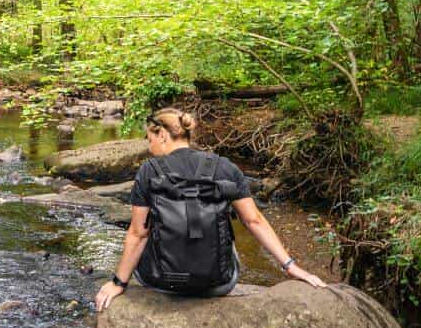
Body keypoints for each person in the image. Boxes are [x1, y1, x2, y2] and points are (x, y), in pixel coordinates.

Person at [95, 107, 326, 312]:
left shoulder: (149, 171)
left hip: (162, 283)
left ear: (162, 135)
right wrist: (290, 266)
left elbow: (138, 233)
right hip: (218, 283)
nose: (150, 146)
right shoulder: (224, 167)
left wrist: (118, 283)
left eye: (150, 139)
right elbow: (253, 221)